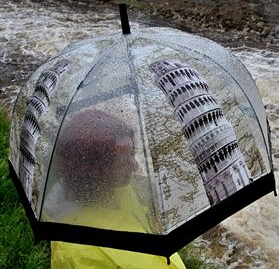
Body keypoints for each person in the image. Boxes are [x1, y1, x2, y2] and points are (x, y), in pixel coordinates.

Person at [48, 109, 186, 269]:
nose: (134, 166)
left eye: (132, 154)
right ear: (93, 170)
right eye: (123, 162)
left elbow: (134, 216)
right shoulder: (76, 253)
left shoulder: (117, 188)